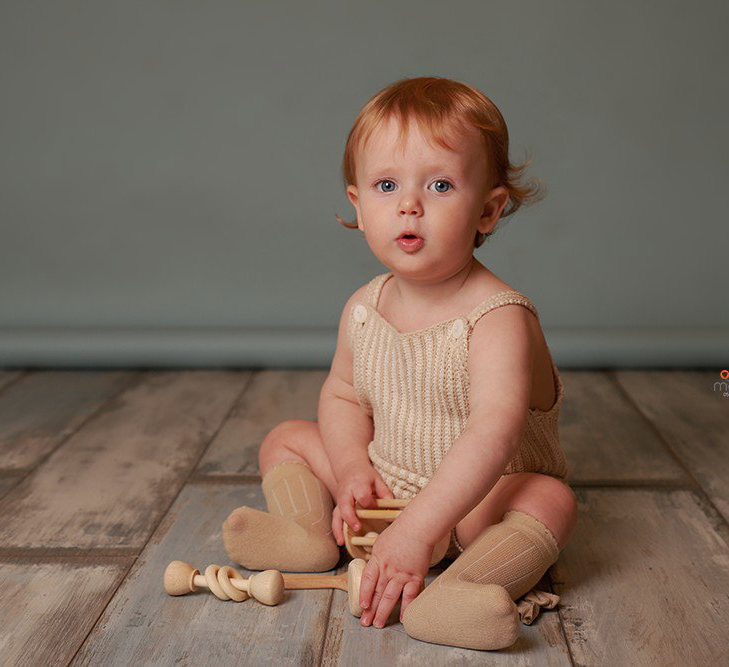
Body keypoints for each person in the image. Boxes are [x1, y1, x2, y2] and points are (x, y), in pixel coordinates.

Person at [221, 76, 577, 651]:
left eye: (439, 185)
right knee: (287, 437)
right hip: (385, 491)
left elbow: (495, 428)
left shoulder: (497, 317)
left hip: (473, 507)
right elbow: (341, 396)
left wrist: (422, 528)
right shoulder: (364, 307)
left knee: (549, 501)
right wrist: (352, 468)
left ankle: (462, 589)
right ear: (360, 207)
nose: (409, 204)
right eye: (387, 185)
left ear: (487, 210)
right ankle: (308, 534)